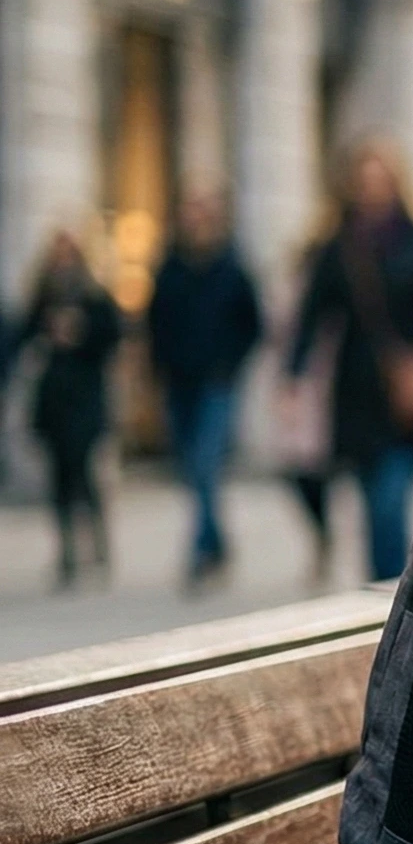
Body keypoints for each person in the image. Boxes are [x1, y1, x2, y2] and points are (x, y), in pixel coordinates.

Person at [292, 142, 413, 582]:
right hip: (357, 389)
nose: (372, 191)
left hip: (406, 391)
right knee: (369, 498)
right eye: (364, 183)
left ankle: (389, 588)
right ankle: (384, 588)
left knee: (390, 498)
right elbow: (314, 313)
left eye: (380, 181)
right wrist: (294, 372)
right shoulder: (339, 248)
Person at [145, 191, 264, 587]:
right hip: (179, 382)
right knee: (191, 466)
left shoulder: (231, 268)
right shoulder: (170, 268)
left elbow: (252, 324)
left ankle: (201, 550)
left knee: (205, 462)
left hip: (217, 381)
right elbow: (155, 324)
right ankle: (216, 542)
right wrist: (157, 367)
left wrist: (229, 364)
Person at [13, 232, 123, 587]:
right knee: (60, 476)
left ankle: (97, 541)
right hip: (54, 398)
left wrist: (82, 333)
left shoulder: (93, 298)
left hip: (86, 396)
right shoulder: (42, 298)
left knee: (83, 469)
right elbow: (18, 337)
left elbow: (113, 335)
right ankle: (68, 551)